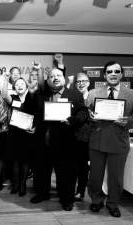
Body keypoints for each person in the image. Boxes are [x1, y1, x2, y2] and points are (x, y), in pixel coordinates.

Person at [30, 68, 88, 211]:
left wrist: (73, 120)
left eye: (58, 75)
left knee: (66, 173)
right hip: (44, 141)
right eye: (51, 76)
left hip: (65, 142)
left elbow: (83, 112)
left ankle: (67, 199)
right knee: (42, 171)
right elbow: (31, 110)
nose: (55, 78)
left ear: (64, 78)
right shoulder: (41, 94)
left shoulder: (74, 94)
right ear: (47, 80)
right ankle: (42, 194)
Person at [87, 61, 133, 218]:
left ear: (121, 74)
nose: (113, 74)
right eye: (109, 71)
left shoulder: (131, 94)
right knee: (95, 175)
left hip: (119, 141)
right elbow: (86, 114)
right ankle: (96, 200)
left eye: (116, 71)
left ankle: (113, 203)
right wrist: (90, 116)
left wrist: (129, 121)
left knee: (116, 177)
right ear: (104, 74)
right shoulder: (93, 93)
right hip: (97, 140)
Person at [7, 78, 40, 197]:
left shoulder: (32, 97)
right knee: (15, 161)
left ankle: (22, 185)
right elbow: (4, 96)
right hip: (14, 134)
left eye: (22, 84)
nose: (20, 86)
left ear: (26, 86)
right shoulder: (12, 98)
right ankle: (15, 185)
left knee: (25, 161)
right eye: (17, 84)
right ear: (14, 87)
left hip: (27, 133)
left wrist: (35, 127)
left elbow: (37, 113)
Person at [74, 72, 91, 201]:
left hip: (89, 138)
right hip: (73, 137)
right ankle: (71, 190)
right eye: (78, 82)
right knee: (74, 165)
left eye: (83, 81)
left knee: (84, 167)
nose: (81, 84)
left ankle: (81, 191)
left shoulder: (95, 97)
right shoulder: (73, 97)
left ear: (89, 83)